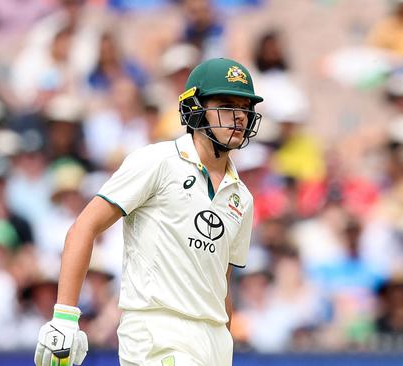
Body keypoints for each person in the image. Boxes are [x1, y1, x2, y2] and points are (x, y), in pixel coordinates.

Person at [34, 57, 263, 366]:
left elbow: (221, 283)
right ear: (194, 108)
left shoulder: (241, 197)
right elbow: (84, 227)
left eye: (244, 108)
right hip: (157, 331)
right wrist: (64, 316)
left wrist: (225, 339)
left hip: (214, 343)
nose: (238, 117)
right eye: (225, 105)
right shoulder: (157, 161)